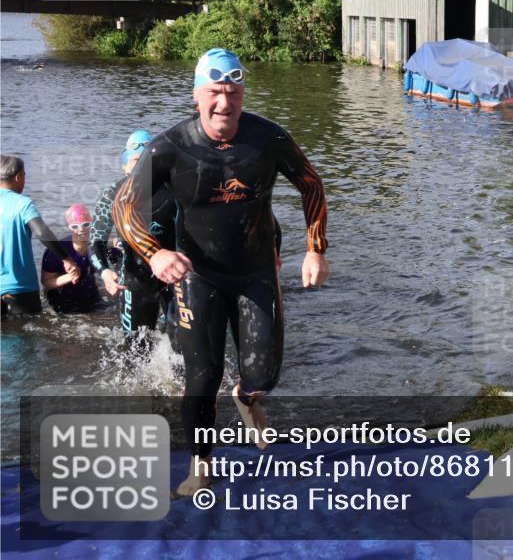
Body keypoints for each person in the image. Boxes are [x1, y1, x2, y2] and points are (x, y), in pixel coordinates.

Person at [113, 48, 329, 496]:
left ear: (243, 94)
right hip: (198, 277)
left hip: (255, 273)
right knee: (202, 376)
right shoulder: (171, 147)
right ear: (197, 96)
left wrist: (316, 249)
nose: (224, 103)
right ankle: (200, 465)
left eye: (232, 92)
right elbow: (124, 207)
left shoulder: (267, 139)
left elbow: (310, 182)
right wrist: (154, 253)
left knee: (265, 372)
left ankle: (247, 397)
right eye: (214, 93)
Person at [91, 131, 177, 346]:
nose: (139, 168)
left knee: (181, 344)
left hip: (173, 275)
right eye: (135, 161)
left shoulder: (175, 190)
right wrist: (104, 272)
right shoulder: (112, 194)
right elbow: (96, 240)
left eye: (145, 162)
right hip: (134, 277)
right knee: (136, 348)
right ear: (124, 165)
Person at [0, 155, 80, 315]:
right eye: (24, 176)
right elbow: (41, 231)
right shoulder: (22, 203)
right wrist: (66, 258)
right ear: (18, 177)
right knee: (26, 337)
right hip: (21, 289)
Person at [41, 204, 101, 313]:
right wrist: (69, 277)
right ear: (69, 227)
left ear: (92, 223)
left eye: (86, 224)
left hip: (90, 294)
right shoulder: (56, 250)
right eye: (75, 226)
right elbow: (46, 282)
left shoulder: (97, 245)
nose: (81, 229)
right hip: (61, 299)